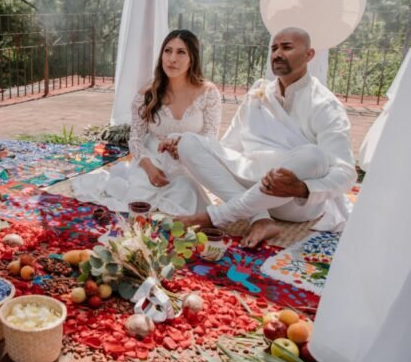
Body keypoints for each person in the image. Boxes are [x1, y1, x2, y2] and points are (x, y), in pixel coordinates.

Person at [175, 27, 357, 248]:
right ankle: (259, 218)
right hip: (250, 189)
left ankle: (215, 216)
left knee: (314, 155)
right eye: (274, 48)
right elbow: (228, 146)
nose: (277, 54)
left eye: (287, 47)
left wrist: (303, 189)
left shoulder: (325, 104)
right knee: (187, 141)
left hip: (293, 200)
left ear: (309, 55)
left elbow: (346, 173)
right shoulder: (258, 92)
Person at [73, 29, 221, 216]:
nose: (172, 59)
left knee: (188, 200)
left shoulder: (208, 92)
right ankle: (132, 180)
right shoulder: (148, 93)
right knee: (136, 202)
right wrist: (149, 168)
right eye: (167, 51)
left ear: (193, 58)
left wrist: (184, 147)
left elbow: (210, 137)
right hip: (152, 157)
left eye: (181, 52)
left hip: (186, 162)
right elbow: (135, 140)